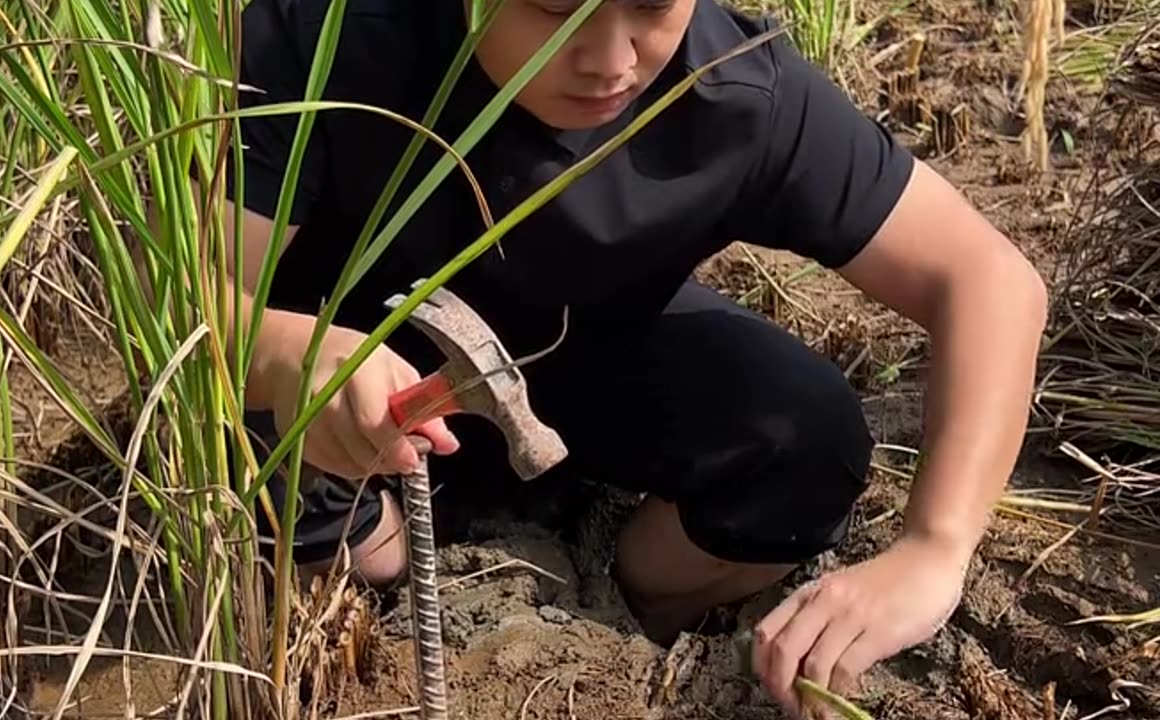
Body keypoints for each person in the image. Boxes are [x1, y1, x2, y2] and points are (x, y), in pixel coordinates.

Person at [211, 0, 1048, 716]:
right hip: (339, 399)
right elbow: (193, 297)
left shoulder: (734, 89)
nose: (611, 59)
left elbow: (987, 279)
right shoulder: (330, 39)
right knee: (369, 559)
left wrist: (935, 547)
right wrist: (288, 355)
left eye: (651, 4)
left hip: (580, 357)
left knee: (808, 440)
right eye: (553, 8)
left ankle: (618, 596)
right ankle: (365, 551)